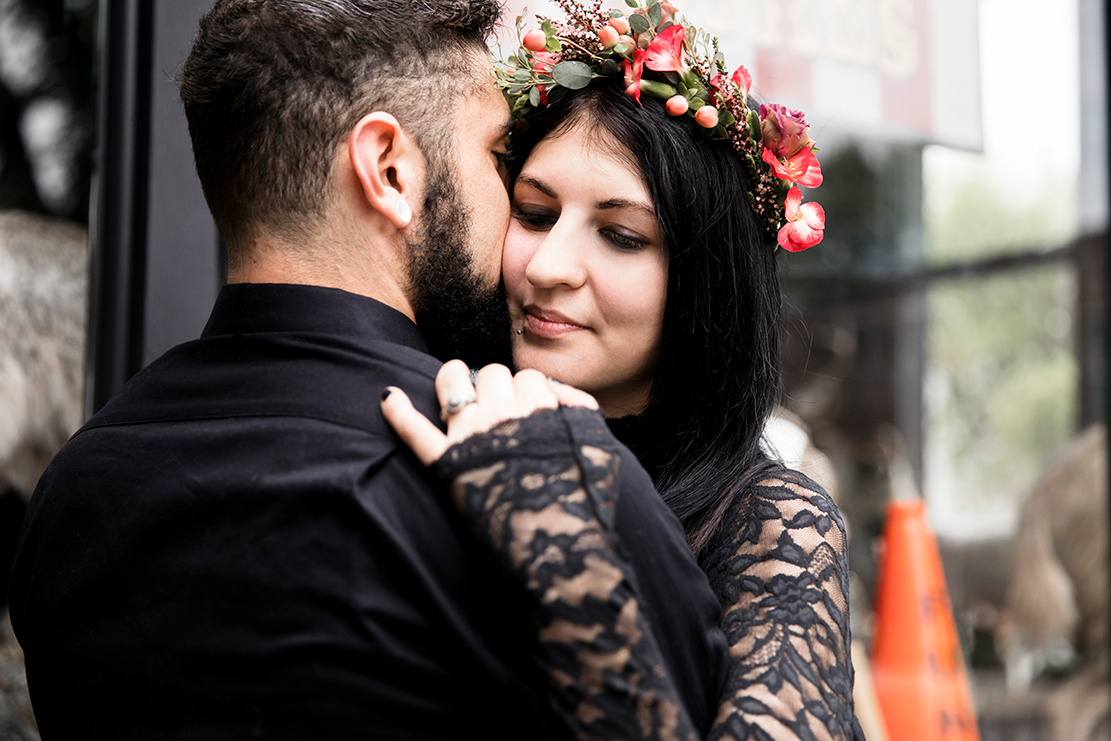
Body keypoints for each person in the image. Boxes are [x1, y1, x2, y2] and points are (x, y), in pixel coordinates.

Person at [8, 1, 732, 737]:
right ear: (388, 169)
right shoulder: (548, 480)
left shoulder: (73, 488)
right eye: (494, 156)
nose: (516, 224)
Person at [381, 1, 862, 738]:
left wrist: (557, 536)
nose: (546, 266)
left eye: (619, 235)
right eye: (534, 214)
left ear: (706, 281)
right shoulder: (426, 422)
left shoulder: (770, 524)